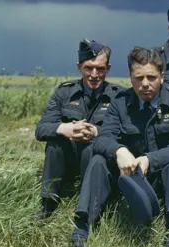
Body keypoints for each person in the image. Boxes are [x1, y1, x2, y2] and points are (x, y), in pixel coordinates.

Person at [66, 46, 169, 247]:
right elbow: (104, 138)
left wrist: (150, 159)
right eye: (139, 78)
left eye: (151, 77)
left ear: (162, 77)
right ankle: (80, 235)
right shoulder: (120, 102)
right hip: (129, 179)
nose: (145, 84)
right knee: (98, 160)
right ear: (130, 77)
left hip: (164, 180)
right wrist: (119, 151)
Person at [34, 39, 126, 219]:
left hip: (98, 162)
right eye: (88, 68)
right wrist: (64, 128)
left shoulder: (119, 95)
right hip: (68, 160)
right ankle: (48, 203)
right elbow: (41, 129)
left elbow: (127, 133)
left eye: (100, 69)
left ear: (108, 68)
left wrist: (96, 132)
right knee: (55, 143)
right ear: (79, 67)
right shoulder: (64, 92)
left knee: (92, 147)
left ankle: (93, 206)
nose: (94, 74)